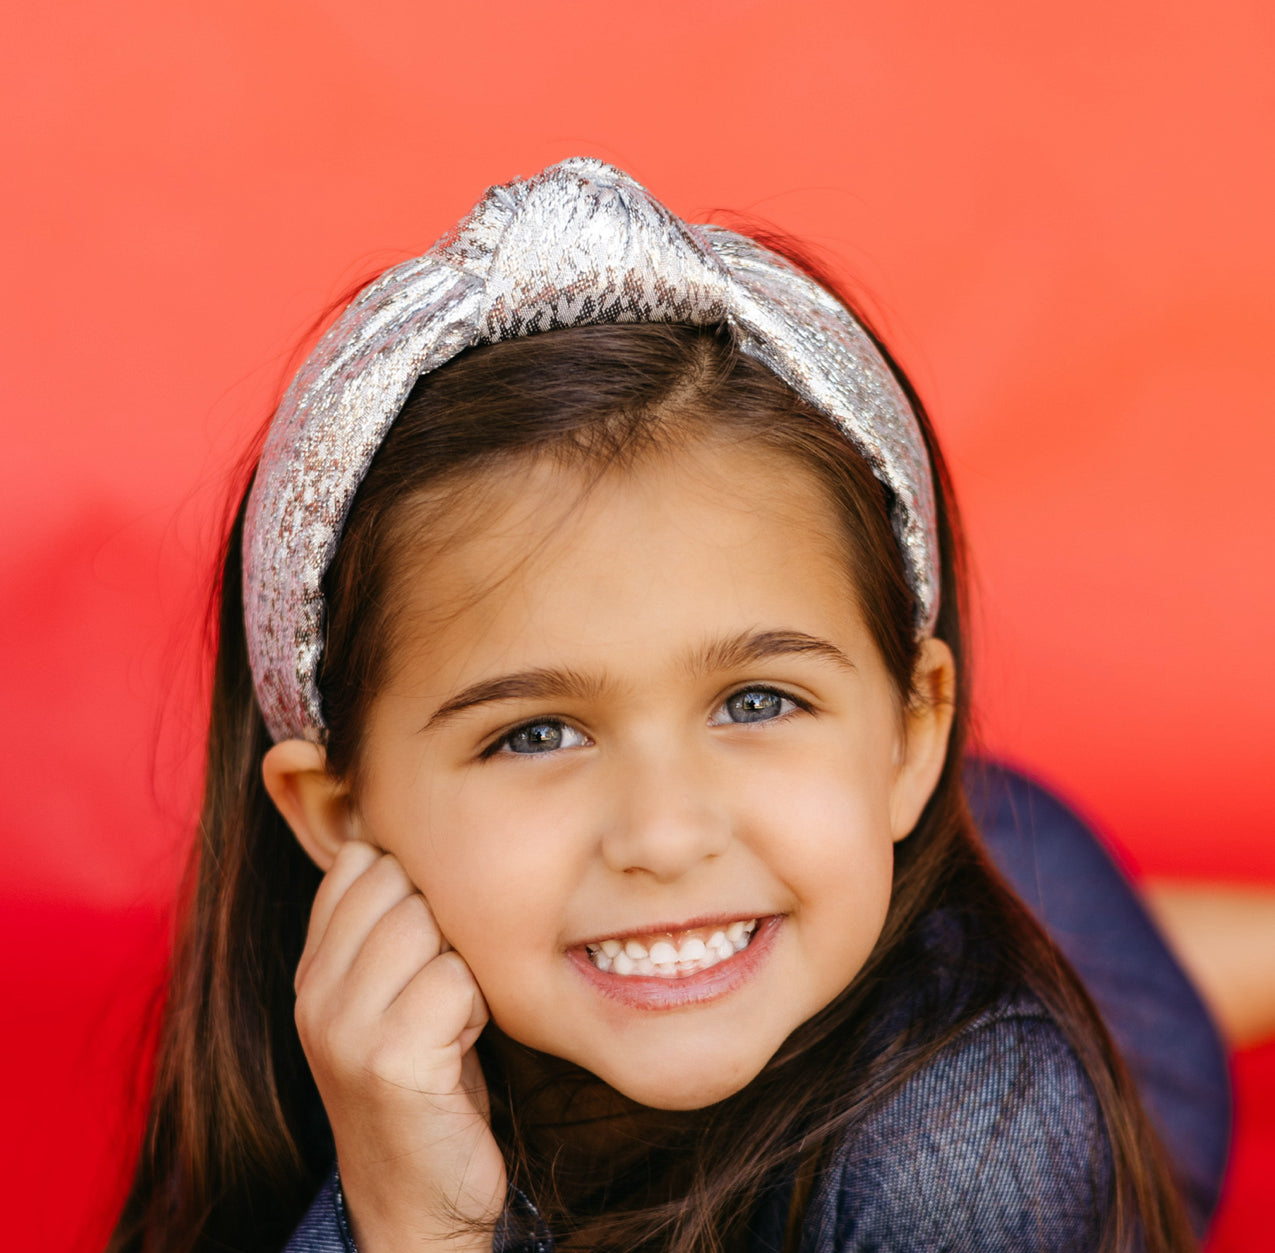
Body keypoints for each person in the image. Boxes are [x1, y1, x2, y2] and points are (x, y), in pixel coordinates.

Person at [108, 159, 1231, 1253]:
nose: (665, 831)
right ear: (339, 812)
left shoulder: (980, 1139)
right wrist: (409, 1216)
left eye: (755, 699)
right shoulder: (357, 1056)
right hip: (852, 876)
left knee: (1086, 938)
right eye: (535, 732)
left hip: (1086, 973)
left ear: (911, 729)